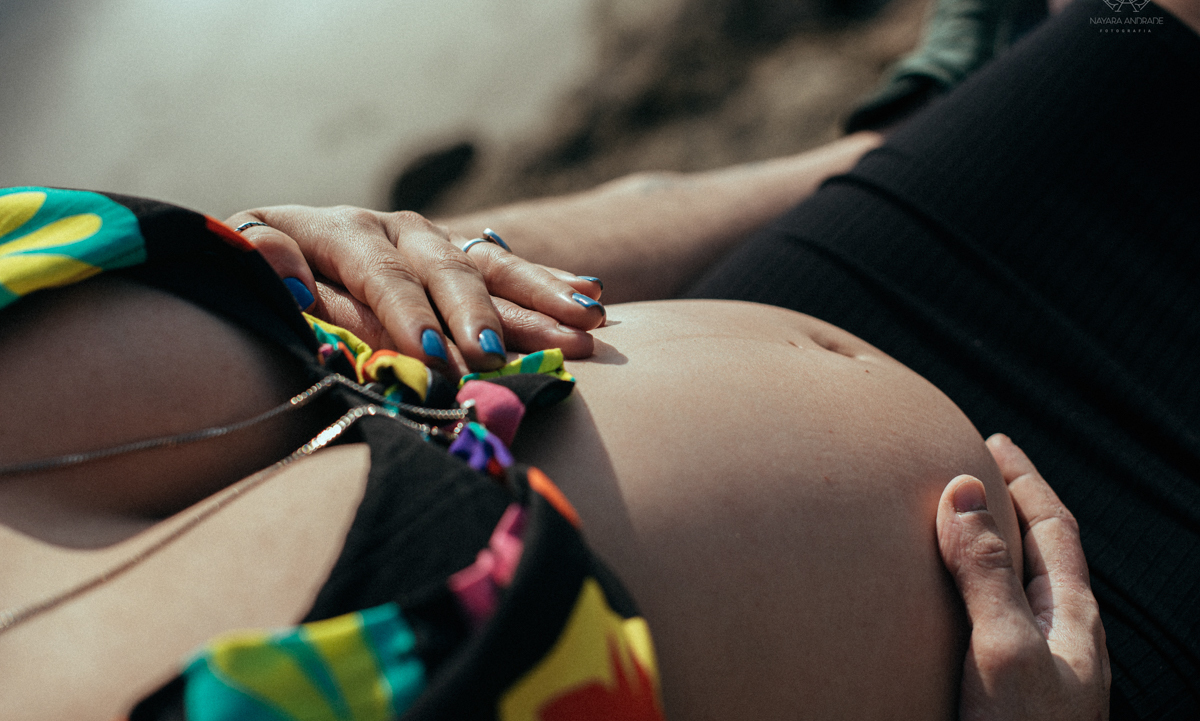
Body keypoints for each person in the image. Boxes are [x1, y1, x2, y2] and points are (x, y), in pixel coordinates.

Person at [224, 0, 1200, 721]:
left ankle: (888, 140)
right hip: (1048, 640)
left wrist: (319, 254)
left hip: (819, 303)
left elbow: (292, 303)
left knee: (1162, 1)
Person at [0, 187, 1099, 721]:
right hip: (1031, 654)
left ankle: (884, 128)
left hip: (780, 298)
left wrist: (303, 246)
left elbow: (381, 280)